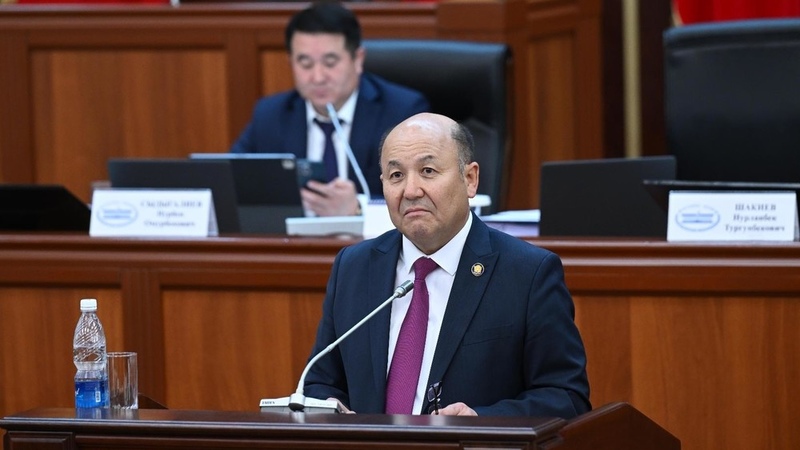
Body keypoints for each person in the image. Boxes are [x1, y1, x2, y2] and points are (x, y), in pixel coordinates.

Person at [303, 112, 591, 417]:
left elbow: (566, 397)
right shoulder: (354, 267)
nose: (410, 191)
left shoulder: (527, 273)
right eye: (396, 175)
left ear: (470, 179)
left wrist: (480, 421)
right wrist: (333, 412)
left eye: (427, 171)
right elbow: (320, 382)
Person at [229, 1, 430, 217]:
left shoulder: (401, 112)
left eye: (330, 62)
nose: (318, 77)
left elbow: (422, 195)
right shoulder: (271, 115)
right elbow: (230, 182)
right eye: (305, 64)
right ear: (290, 62)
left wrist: (358, 208)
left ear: (358, 60)